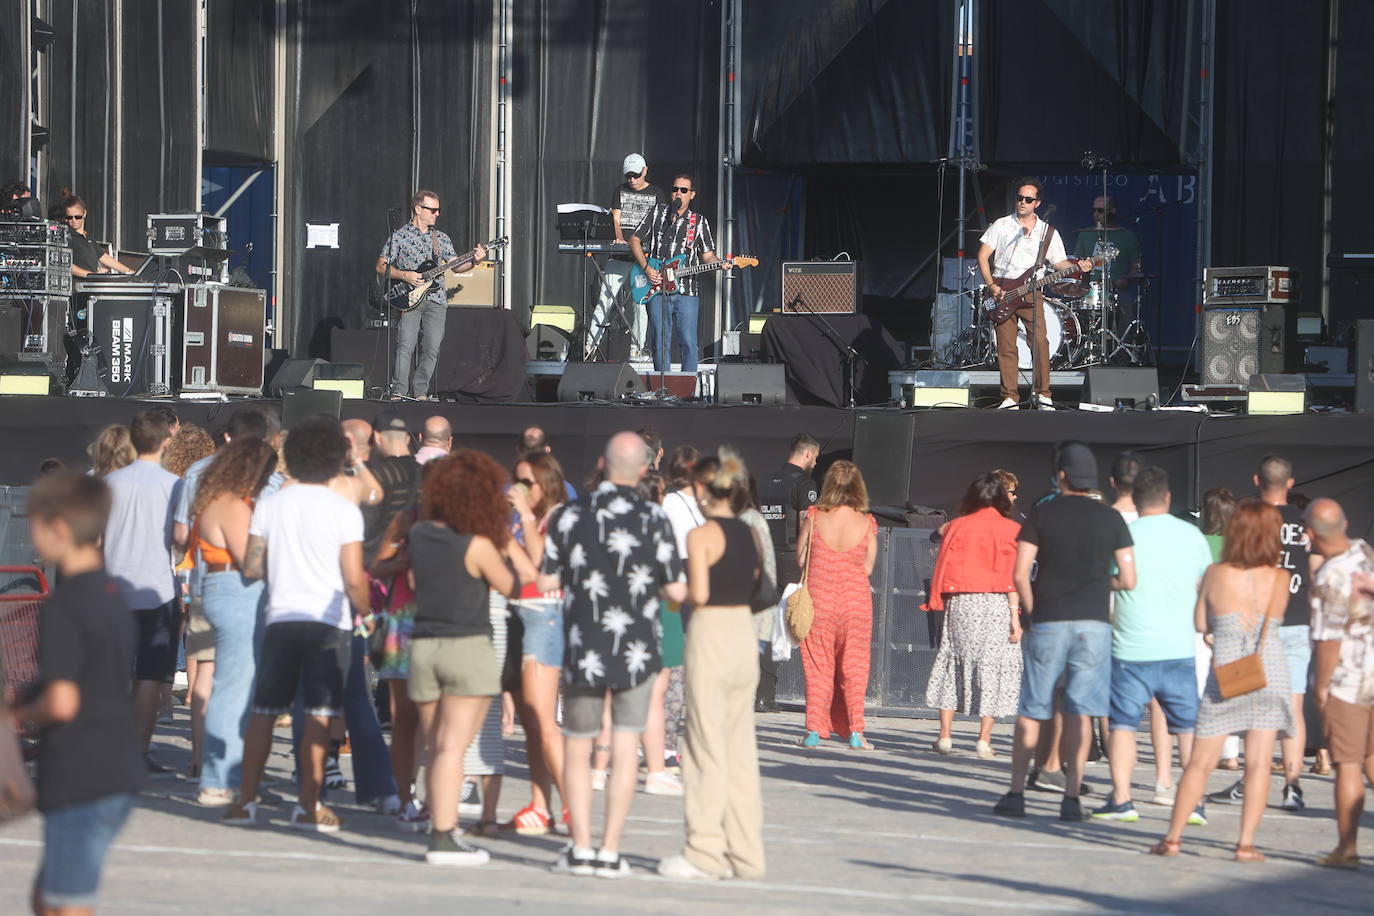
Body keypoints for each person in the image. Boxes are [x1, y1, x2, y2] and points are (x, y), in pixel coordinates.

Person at [539, 432, 687, 878]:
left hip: (584, 646)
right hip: (639, 650)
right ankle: (609, 851)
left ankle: (580, 848)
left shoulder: (568, 515)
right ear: (645, 469)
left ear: (602, 463)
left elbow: (546, 581)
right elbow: (676, 589)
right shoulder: (655, 519)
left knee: (579, 746)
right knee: (626, 746)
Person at [222, 416, 370, 833]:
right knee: (320, 717)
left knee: (264, 713)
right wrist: (369, 614)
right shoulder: (344, 510)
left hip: (280, 618)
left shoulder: (269, 505)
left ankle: (245, 801)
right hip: (328, 623)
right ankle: (309, 804)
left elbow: (251, 567)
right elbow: (355, 578)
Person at [12, 473, 142, 916]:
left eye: (34, 525)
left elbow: (62, 701)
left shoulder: (64, 605)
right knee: (48, 895)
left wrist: (16, 715)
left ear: (59, 528)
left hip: (81, 773)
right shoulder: (111, 594)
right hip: (115, 771)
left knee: (68, 904)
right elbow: (92, 675)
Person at [993, 441, 1135, 821]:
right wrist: (1103, 586)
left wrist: (1033, 611)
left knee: (1033, 709)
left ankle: (1017, 792)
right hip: (1093, 624)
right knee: (1081, 711)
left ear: (1061, 476)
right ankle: (1071, 798)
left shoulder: (1043, 513)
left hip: (1050, 620)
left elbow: (1020, 573)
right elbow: (1129, 578)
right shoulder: (1111, 518)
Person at [1149, 500, 1291, 861]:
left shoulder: (1215, 573)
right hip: (1267, 670)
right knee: (1258, 763)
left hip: (1227, 670)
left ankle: (1174, 838)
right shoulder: (1279, 578)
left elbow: (1200, 624)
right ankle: (1245, 844)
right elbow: (1273, 623)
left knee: (1200, 762)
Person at [407, 450, 520, 865]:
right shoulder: (478, 544)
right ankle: (444, 835)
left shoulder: (419, 534)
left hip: (423, 645)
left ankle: (439, 825)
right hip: (467, 646)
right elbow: (510, 586)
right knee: (454, 747)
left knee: (437, 746)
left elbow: (414, 578)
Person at [658, 450, 766, 881]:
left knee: (703, 746)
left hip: (712, 636)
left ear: (703, 488)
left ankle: (703, 852)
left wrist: (670, 587)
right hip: (743, 634)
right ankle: (746, 854)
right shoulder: (751, 533)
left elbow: (698, 594)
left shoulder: (701, 535)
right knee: (740, 749)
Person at [1090, 467, 1211, 825]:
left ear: (1136, 499)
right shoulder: (1192, 535)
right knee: (1187, 727)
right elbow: (1206, 584)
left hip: (1130, 647)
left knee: (1124, 725)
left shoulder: (1122, 533)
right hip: (1178, 646)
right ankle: (1194, 802)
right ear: (1169, 497)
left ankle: (1123, 799)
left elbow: (1110, 579)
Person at [1212, 456, 1313, 810]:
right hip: (1297, 619)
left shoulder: (1249, 519)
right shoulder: (1304, 522)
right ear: (1290, 483)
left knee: (1254, 707)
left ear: (1257, 480)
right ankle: (1293, 786)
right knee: (1293, 707)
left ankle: (1251, 778)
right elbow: (1314, 569)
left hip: (1254, 624)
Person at [188, 437, 278, 807]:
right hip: (237, 589)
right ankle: (217, 779)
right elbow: (251, 562)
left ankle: (228, 774)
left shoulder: (215, 499)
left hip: (222, 585)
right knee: (234, 687)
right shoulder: (233, 505)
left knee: (235, 685)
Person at [102, 409, 180, 773]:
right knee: (150, 676)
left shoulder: (109, 484)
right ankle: (136, 750)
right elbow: (180, 540)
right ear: (166, 440)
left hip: (113, 587)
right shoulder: (174, 485)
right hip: (157, 590)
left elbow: (96, 538)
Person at [925, 472, 1023, 758]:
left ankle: (945, 736)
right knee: (993, 666)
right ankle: (984, 739)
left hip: (962, 601)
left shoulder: (957, 526)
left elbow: (939, 534)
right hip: (997, 604)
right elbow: (1013, 577)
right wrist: (1015, 616)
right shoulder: (1011, 530)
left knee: (952, 661)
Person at [977, 178, 1094, 409]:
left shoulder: (1047, 231)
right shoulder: (1001, 225)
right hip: (1002, 289)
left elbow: (1058, 262)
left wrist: (1079, 266)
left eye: (1028, 199)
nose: (1022, 202)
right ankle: (1009, 396)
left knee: (1040, 342)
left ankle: (1043, 394)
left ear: (1037, 203)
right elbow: (982, 256)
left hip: (1031, 292)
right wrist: (991, 286)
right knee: (1006, 346)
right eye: (1019, 198)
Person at [1305, 498, 1374, 869]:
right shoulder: (1366, 553)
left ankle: (1346, 849)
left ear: (1313, 533)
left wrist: (1322, 686)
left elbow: (1329, 639)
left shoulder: (1330, 575)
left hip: (1348, 679)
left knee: (1347, 762)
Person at [505, 451, 571, 835]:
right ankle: (540, 805)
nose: (519, 489)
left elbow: (541, 562)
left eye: (527, 482)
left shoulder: (559, 515)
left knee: (544, 722)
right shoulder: (529, 517)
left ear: (545, 483)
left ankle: (570, 806)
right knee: (531, 721)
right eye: (517, 480)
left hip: (546, 618)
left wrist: (524, 518)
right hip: (525, 614)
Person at [796, 460, 878, 749]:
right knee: (855, 668)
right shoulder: (867, 522)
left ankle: (814, 731)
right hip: (856, 603)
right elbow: (868, 567)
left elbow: (801, 558)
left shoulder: (815, 516)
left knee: (818, 666)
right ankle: (856, 732)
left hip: (820, 600)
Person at [375, 190, 486, 399]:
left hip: (436, 300)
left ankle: (421, 392)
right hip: (409, 299)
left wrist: (475, 261)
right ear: (418, 209)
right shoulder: (399, 236)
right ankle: (399, 391)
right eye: (432, 209)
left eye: (438, 209)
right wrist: (405, 275)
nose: (437, 213)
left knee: (432, 348)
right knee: (405, 346)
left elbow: (456, 267)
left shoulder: (441, 238)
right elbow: (381, 266)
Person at [368, 506, 430, 831]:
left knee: (432, 719)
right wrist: (399, 563)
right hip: (404, 621)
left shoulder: (463, 519)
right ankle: (402, 795)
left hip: (441, 624)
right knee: (405, 716)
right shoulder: (407, 519)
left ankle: (424, 796)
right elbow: (376, 566)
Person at [629, 173, 719, 375]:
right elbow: (634, 240)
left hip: (686, 291)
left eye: (683, 190)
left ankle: (688, 387)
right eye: (675, 189)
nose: (678, 193)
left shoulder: (699, 223)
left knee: (688, 341)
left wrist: (720, 263)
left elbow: (708, 256)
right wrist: (646, 268)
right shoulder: (657, 213)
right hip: (656, 288)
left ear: (692, 195)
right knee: (660, 341)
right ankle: (663, 388)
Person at [757, 433, 820, 711]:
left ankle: (763, 695)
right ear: (807, 454)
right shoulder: (805, 485)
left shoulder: (767, 482)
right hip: (792, 561)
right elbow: (810, 522)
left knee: (767, 626)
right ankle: (817, 698)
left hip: (765, 559)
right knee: (803, 622)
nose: (816, 462)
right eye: (815, 457)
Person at [588, 153, 667, 360]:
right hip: (620, 256)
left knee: (639, 304)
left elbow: (659, 224)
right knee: (606, 299)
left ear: (645, 171)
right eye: (628, 175)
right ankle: (590, 346)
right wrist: (619, 238)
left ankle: (637, 349)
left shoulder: (658, 194)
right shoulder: (619, 190)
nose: (631, 179)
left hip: (644, 258)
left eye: (635, 175)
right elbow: (616, 217)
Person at [362, 409, 421, 564]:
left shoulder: (370, 475)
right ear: (407, 439)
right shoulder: (429, 473)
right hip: (415, 562)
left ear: (376, 436)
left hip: (375, 563)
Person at [1072, 195, 1143, 322]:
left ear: (1112, 211)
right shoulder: (1085, 235)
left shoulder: (1127, 236)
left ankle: (1121, 341)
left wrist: (1125, 279)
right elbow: (1076, 263)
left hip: (1116, 291)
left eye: (1100, 210)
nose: (1095, 214)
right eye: (1093, 210)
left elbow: (1136, 268)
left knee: (1127, 307)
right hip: (1089, 290)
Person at [54, 188, 134, 278]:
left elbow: (104, 257)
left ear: (84, 214)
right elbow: (66, 265)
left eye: (78, 217)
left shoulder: (88, 238)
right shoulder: (65, 236)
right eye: (69, 217)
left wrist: (129, 272)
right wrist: (92, 275)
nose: (73, 220)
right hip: (77, 286)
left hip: (91, 284)